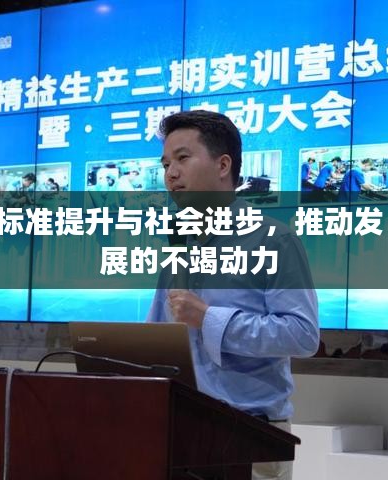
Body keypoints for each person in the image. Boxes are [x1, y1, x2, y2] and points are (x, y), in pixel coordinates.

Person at [146, 110, 319, 480]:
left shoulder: (274, 239)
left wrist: (210, 319)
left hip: (249, 434)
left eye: (182, 158)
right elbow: (156, 340)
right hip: (179, 432)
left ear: (223, 165)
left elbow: (303, 335)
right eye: (166, 164)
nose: (171, 174)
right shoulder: (179, 245)